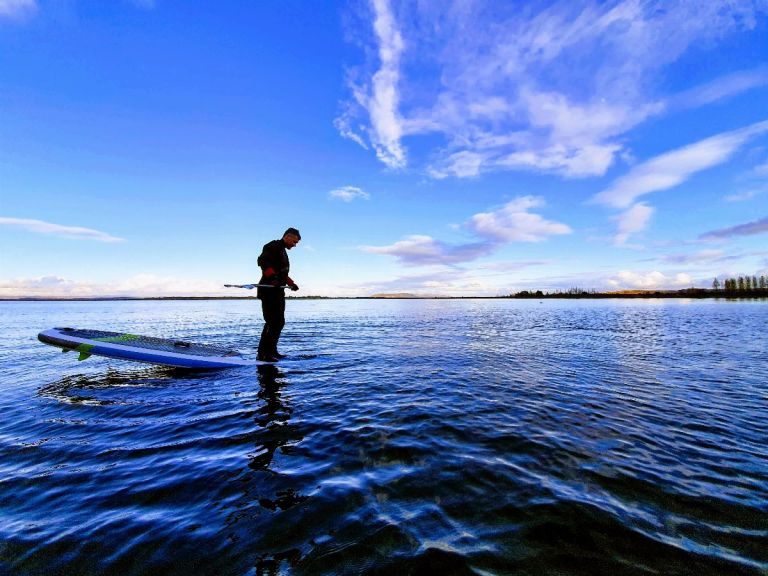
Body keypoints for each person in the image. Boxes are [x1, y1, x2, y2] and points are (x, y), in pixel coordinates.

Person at [256, 228, 300, 361]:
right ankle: (263, 354)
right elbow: (262, 261)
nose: (295, 244)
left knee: (279, 322)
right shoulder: (273, 246)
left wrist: (291, 283)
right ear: (287, 236)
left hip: (278, 291)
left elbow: (283, 274)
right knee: (272, 322)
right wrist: (273, 278)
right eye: (294, 241)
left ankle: (272, 351)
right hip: (268, 290)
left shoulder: (283, 252)